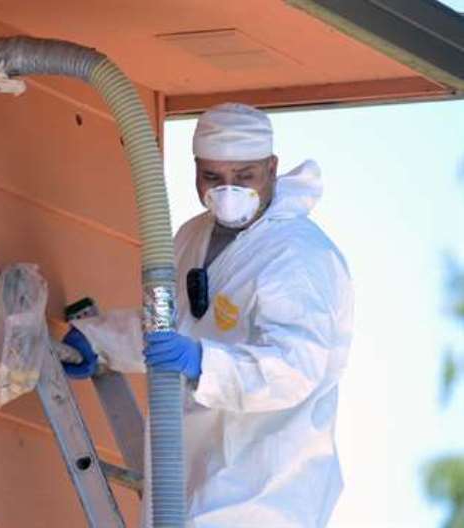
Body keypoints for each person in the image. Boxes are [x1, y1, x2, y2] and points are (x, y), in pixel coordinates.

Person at [62, 103, 354, 527]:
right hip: (188, 474)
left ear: (271, 168)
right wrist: (101, 341)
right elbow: (172, 327)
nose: (228, 192)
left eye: (244, 177)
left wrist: (204, 363)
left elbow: (294, 368)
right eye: (213, 177)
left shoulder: (297, 255)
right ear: (196, 169)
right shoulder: (191, 236)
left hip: (261, 491)